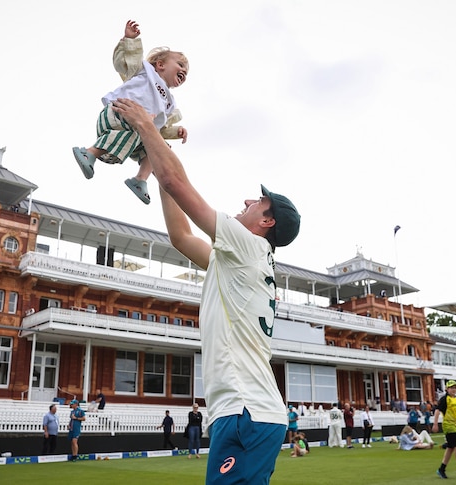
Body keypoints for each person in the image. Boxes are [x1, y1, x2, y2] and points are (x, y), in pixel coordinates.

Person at [110, 97, 300, 484]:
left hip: (245, 413)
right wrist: (155, 143)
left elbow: (176, 183)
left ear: (265, 220)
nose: (247, 200)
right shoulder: (243, 257)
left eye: (257, 200)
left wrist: (148, 126)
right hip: (250, 412)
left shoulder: (247, 245)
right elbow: (181, 236)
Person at [72, 20, 189, 205]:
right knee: (140, 128)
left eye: (186, 71)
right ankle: (89, 152)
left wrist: (177, 131)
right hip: (116, 115)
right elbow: (125, 62)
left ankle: (139, 180)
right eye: (180, 64)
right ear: (160, 65)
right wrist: (129, 41)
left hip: (135, 131)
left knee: (160, 146)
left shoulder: (169, 103)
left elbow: (159, 128)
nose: (184, 70)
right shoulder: (145, 72)